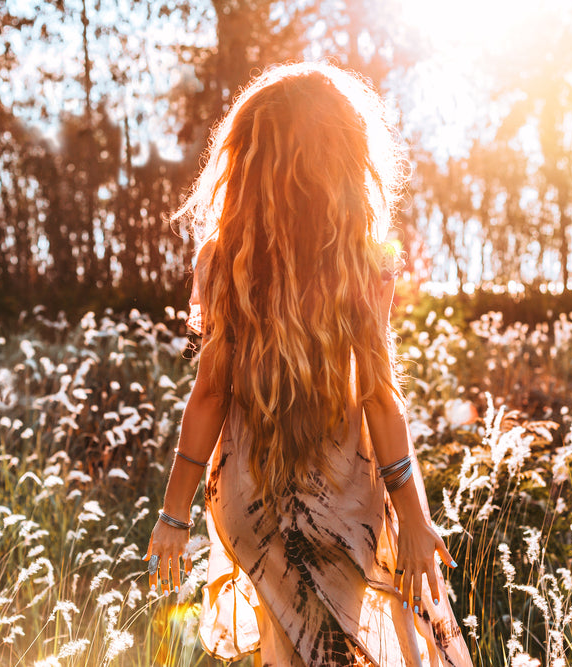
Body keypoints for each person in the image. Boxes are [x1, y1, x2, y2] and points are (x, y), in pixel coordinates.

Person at [143, 62, 472, 667]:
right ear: (344, 155)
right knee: (335, 649)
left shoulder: (223, 259)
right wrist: (414, 519)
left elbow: (209, 395)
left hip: (251, 489)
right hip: (342, 489)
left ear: (247, 160)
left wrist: (174, 514)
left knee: (291, 644)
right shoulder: (365, 259)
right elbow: (379, 394)